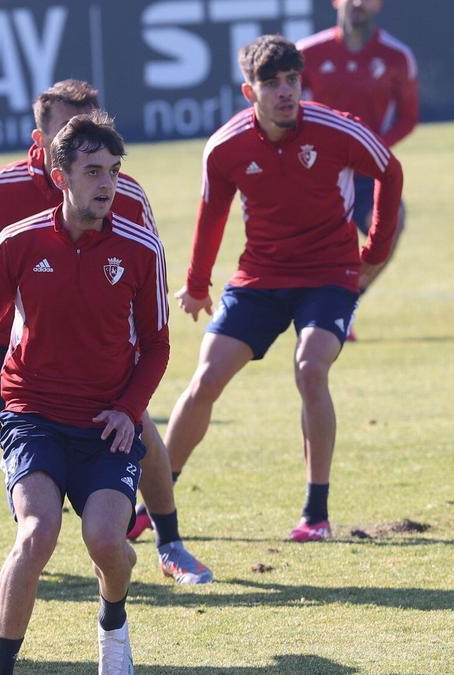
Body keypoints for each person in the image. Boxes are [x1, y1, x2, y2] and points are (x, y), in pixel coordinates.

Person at [0, 80, 210, 598]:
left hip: (89, 353)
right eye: (69, 132)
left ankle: (169, 544)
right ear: (42, 141)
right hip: (3, 349)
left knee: (141, 435)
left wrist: (131, 373)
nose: (84, 140)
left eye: (92, 128)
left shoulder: (123, 191)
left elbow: (144, 276)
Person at [0, 111, 167, 674]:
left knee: (107, 543)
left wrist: (128, 410)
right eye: (92, 171)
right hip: (33, 417)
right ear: (60, 175)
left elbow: (157, 346)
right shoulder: (18, 242)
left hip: (104, 425)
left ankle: (113, 625)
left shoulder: (141, 248)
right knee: (37, 534)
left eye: (113, 171)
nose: (107, 184)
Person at [163, 35, 403, 542]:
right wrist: (198, 285)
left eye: (292, 80)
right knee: (205, 379)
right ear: (250, 93)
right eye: (271, 83)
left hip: (329, 275)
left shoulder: (334, 129)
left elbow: (389, 168)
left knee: (310, 367)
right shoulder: (226, 147)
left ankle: (315, 513)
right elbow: (212, 214)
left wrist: (375, 250)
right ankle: (154, 503)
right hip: (260, 277)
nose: (285, 92)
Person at [299, 0, 417, 300]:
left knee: (392, 226)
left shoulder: (397, 56)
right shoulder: (307, 53)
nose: (358, 4)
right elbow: (287, 108)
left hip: (366, 170)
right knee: (320, 247)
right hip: (316, 168)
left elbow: (408, 117)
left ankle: (348, 300)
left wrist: (373, 148)